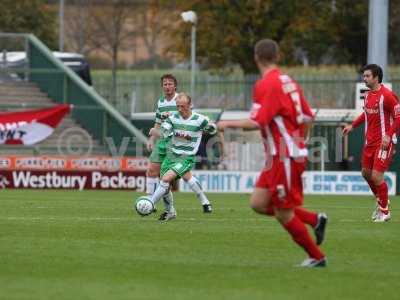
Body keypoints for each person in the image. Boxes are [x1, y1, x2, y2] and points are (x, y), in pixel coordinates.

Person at [217, 39, 327, 267]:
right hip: (279, 155)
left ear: (256, 58)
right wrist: (299, 138)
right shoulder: (289, 81)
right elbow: (308, 116)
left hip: (285, 156)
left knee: (283, 213)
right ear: (277, 56)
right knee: (258, 202)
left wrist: (226, 124)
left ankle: (317, 257)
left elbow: (257, 121)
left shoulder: (266, 84)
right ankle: (314, 220)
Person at [146, 74, 213, 219]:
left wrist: (210, 128)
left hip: (183, 153)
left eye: (170, 84)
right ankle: (172, 210)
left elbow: (208, 126)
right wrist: (154, 134)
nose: (179, 108)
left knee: (166, 179)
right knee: (164, 177)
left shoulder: (195, 115)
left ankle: (149, 203)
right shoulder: (166, 109)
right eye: (165, 84)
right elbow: (162, 128)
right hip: (169, 147)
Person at [343, 64, 400, 222]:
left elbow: (398, 117)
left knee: (376, 176)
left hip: (384, 142)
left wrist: (389, 135)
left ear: (376, 77)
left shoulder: (387, 96)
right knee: (366, 174)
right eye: (364, 75)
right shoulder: (368, 95)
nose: (364, 78)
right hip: (369, 142)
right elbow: (366, 114)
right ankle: (382, 201)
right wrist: (352, 125)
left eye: (367, 76)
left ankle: (385, 211)